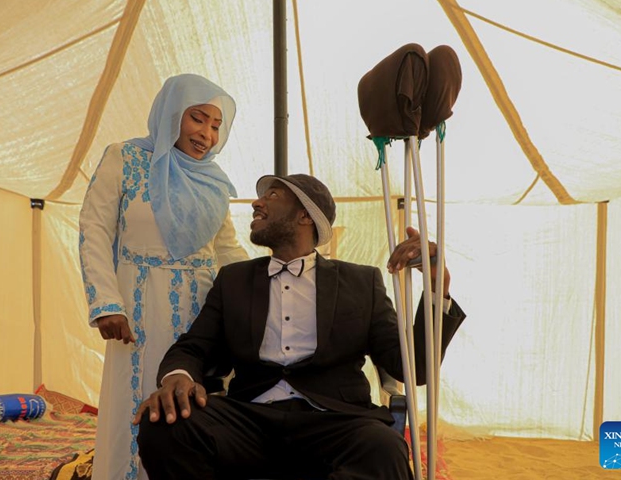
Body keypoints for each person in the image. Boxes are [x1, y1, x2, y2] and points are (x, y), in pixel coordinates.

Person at [133, 173, 466, 480]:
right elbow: (195, 346)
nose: (256, 202)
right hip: (249, 420)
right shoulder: (234, 280)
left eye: (273, 195)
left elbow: (413, 366)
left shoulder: (361, 282)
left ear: (305, 216)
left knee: (384, 450)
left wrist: (438, 287)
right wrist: (177, 376)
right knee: (164, 425)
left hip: (335, 423)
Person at [79, 74, 249, 480]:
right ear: (173, 113)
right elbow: (94, 229)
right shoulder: (123, 157)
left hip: (199, 319)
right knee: (132, 407)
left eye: (215, 125)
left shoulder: (214, 183)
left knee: (190, 409)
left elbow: (227, 251)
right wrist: (106, 302)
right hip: (135, 316)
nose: (207, 133)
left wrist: (270, 288)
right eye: (197, 118)